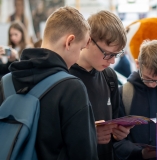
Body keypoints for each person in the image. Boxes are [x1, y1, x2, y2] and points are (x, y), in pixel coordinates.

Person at [0, 6, 98, 159]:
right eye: (80, 48)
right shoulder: (72, 88)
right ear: (69, 41)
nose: (79, 56)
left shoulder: (6, 82)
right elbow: (84, 154)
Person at [69, 10, 131, 160]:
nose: (112, 61)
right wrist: (88, 134)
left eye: (116, 55)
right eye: (108, 53)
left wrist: (118, 134)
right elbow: (50, 137)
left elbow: (115, 122)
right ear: (88, 40)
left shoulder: (109, 77)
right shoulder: (64, 78)